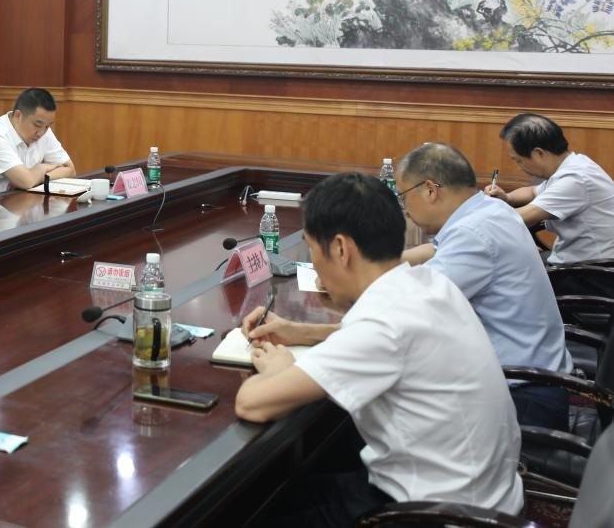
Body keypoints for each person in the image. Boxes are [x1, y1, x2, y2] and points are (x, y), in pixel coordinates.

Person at [235, 172, 522, 527]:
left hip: (434, 514)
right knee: (282, 491)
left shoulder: (383, 323)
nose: (314, 262)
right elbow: (387, 341)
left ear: (340, 249)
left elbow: (251, 403)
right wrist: (301, 332)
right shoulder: (427, 283)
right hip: (482, 496)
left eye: (312, 247)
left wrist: (280, 369)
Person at [396, 143, 572, 429]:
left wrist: (355, 282)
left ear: (430, 190)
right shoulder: (489, 209)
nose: (405, 207)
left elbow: (409, 306)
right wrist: (383, 263)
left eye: (404, 197)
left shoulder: (473, 233)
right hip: (538, 379)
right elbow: (437, 251)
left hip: (521, 398)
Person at [486, 112, 614, 263]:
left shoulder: (575, 179)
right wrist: (508, 198)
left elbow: (520, 217)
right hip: (575, 261)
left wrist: (475, 215)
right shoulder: (574, 165)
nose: (519, 167)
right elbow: (532, 192)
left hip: (590, 271)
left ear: (538, 153)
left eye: (518, 160)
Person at [0, 87, 76, 195]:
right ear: (18, 116)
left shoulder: (43, 131)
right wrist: (43, 168)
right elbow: (26, 182)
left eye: (47, 126)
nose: (41, 133)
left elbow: (70, 170)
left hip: (22, 202)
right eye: (37, 125)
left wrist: (41, 177)